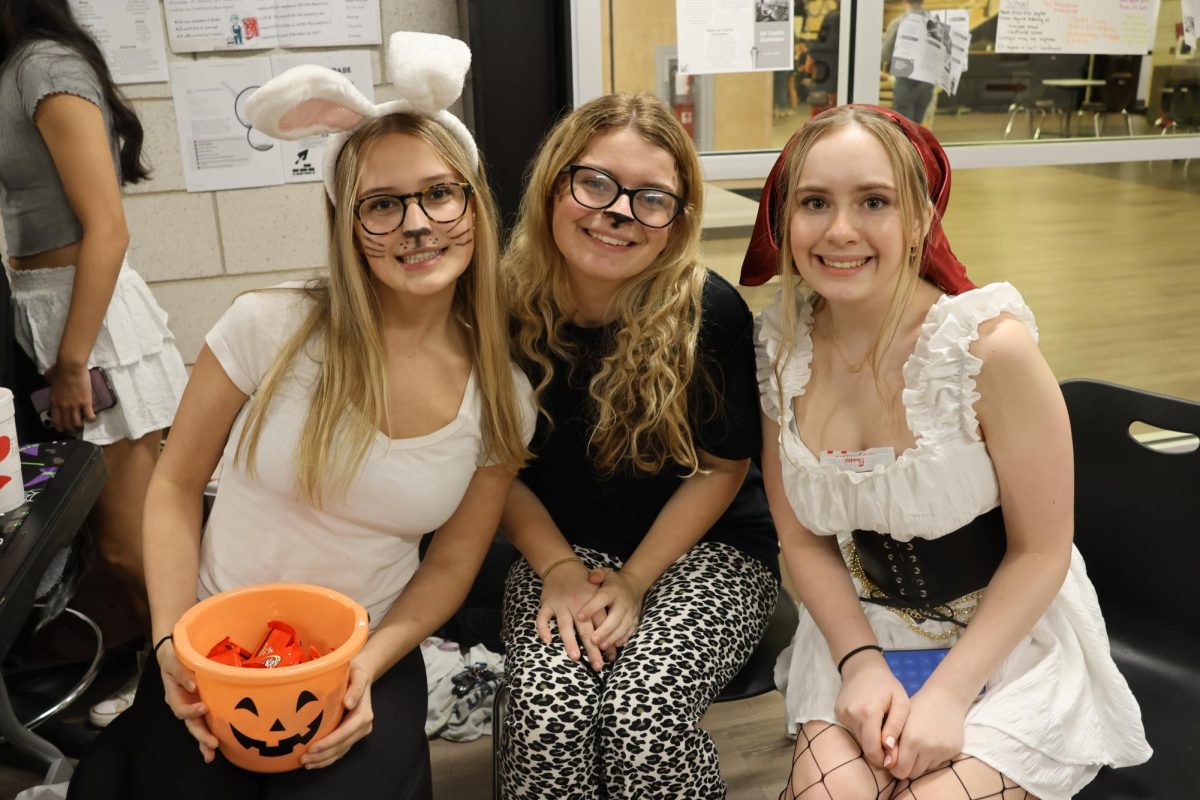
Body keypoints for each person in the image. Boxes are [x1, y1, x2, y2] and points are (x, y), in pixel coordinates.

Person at [68, 32, 534, 799]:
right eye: (382, 205)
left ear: (474, 208)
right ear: (349, 227)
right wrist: (170, 641)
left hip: (365, 658)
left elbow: (451, 563)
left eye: (439, 193)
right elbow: (177, 485)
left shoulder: (504, 393)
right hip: (211, 647)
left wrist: (370, 662)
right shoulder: (267, 328)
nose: (417, 223)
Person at [741, 104, 1151, 800]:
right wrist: (861, 662)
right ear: (785, 219)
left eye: (874, 201)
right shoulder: (782, 346)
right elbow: (801, 539)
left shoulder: (986, 351)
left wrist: (949, 695)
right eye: (814, 202)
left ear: (922, 219)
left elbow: (1041, 552)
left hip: (1010, 640)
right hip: (862, 624)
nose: (840, 231)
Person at [498, 93, 780, 799]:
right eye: (594, 182)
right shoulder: (495, 305)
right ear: (554, 183)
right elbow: (491, 467)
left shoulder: (706, 311)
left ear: (676, 221)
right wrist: (560, 568)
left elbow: (724, 468)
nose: (618, 211)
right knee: (546, 709)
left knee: (641, 713)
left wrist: (634, 581)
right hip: (557, 544)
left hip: (707, 547)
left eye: (651, 198)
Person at [0, 0, 189, 725]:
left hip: (88, 321)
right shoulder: (14, 69)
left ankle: (194, 675)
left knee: (134, 543)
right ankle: (163, 680)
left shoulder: (46, 66)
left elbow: (107, 228)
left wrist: (73, 359)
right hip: (44, 312)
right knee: (110, 545)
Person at [882, 0, 934, 124]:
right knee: (918, 125)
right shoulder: (935, 23)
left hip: (904, 81)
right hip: (927, 82)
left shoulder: (898, 22)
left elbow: (885, 53)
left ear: (905, 1)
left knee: (904, 127)